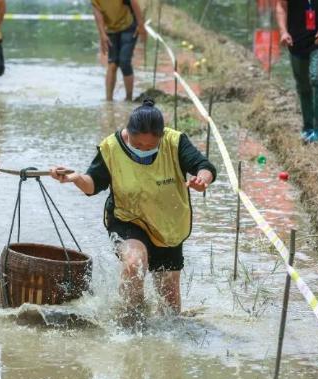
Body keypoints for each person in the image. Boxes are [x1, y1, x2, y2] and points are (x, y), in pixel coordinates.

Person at [50, 99, 216, 314]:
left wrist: (202, 180)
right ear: (128, 133)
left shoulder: (174, 142)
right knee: (134, 263)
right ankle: (127, 323)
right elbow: (92, 185)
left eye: (151, 146)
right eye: (138, 145)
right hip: (127, 218)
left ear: (161, 137)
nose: (144, 149)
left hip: (168, 223)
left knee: (170, 307)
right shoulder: (111, 147)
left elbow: (204, 166)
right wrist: (76, 178)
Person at [276, 0, 318, 143]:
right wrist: (283, 31)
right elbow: (281, 5)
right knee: (303, 85)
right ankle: (308, 127)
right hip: (296, 41)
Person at [91, 0, 147, 101]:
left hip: (128, 26)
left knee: (124, 62)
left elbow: (133, 2)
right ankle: (108, 101)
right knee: (112, 64)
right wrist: (102, 34)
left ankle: (129, 99)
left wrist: (141, 25)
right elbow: (97, 12)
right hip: (111, 29)